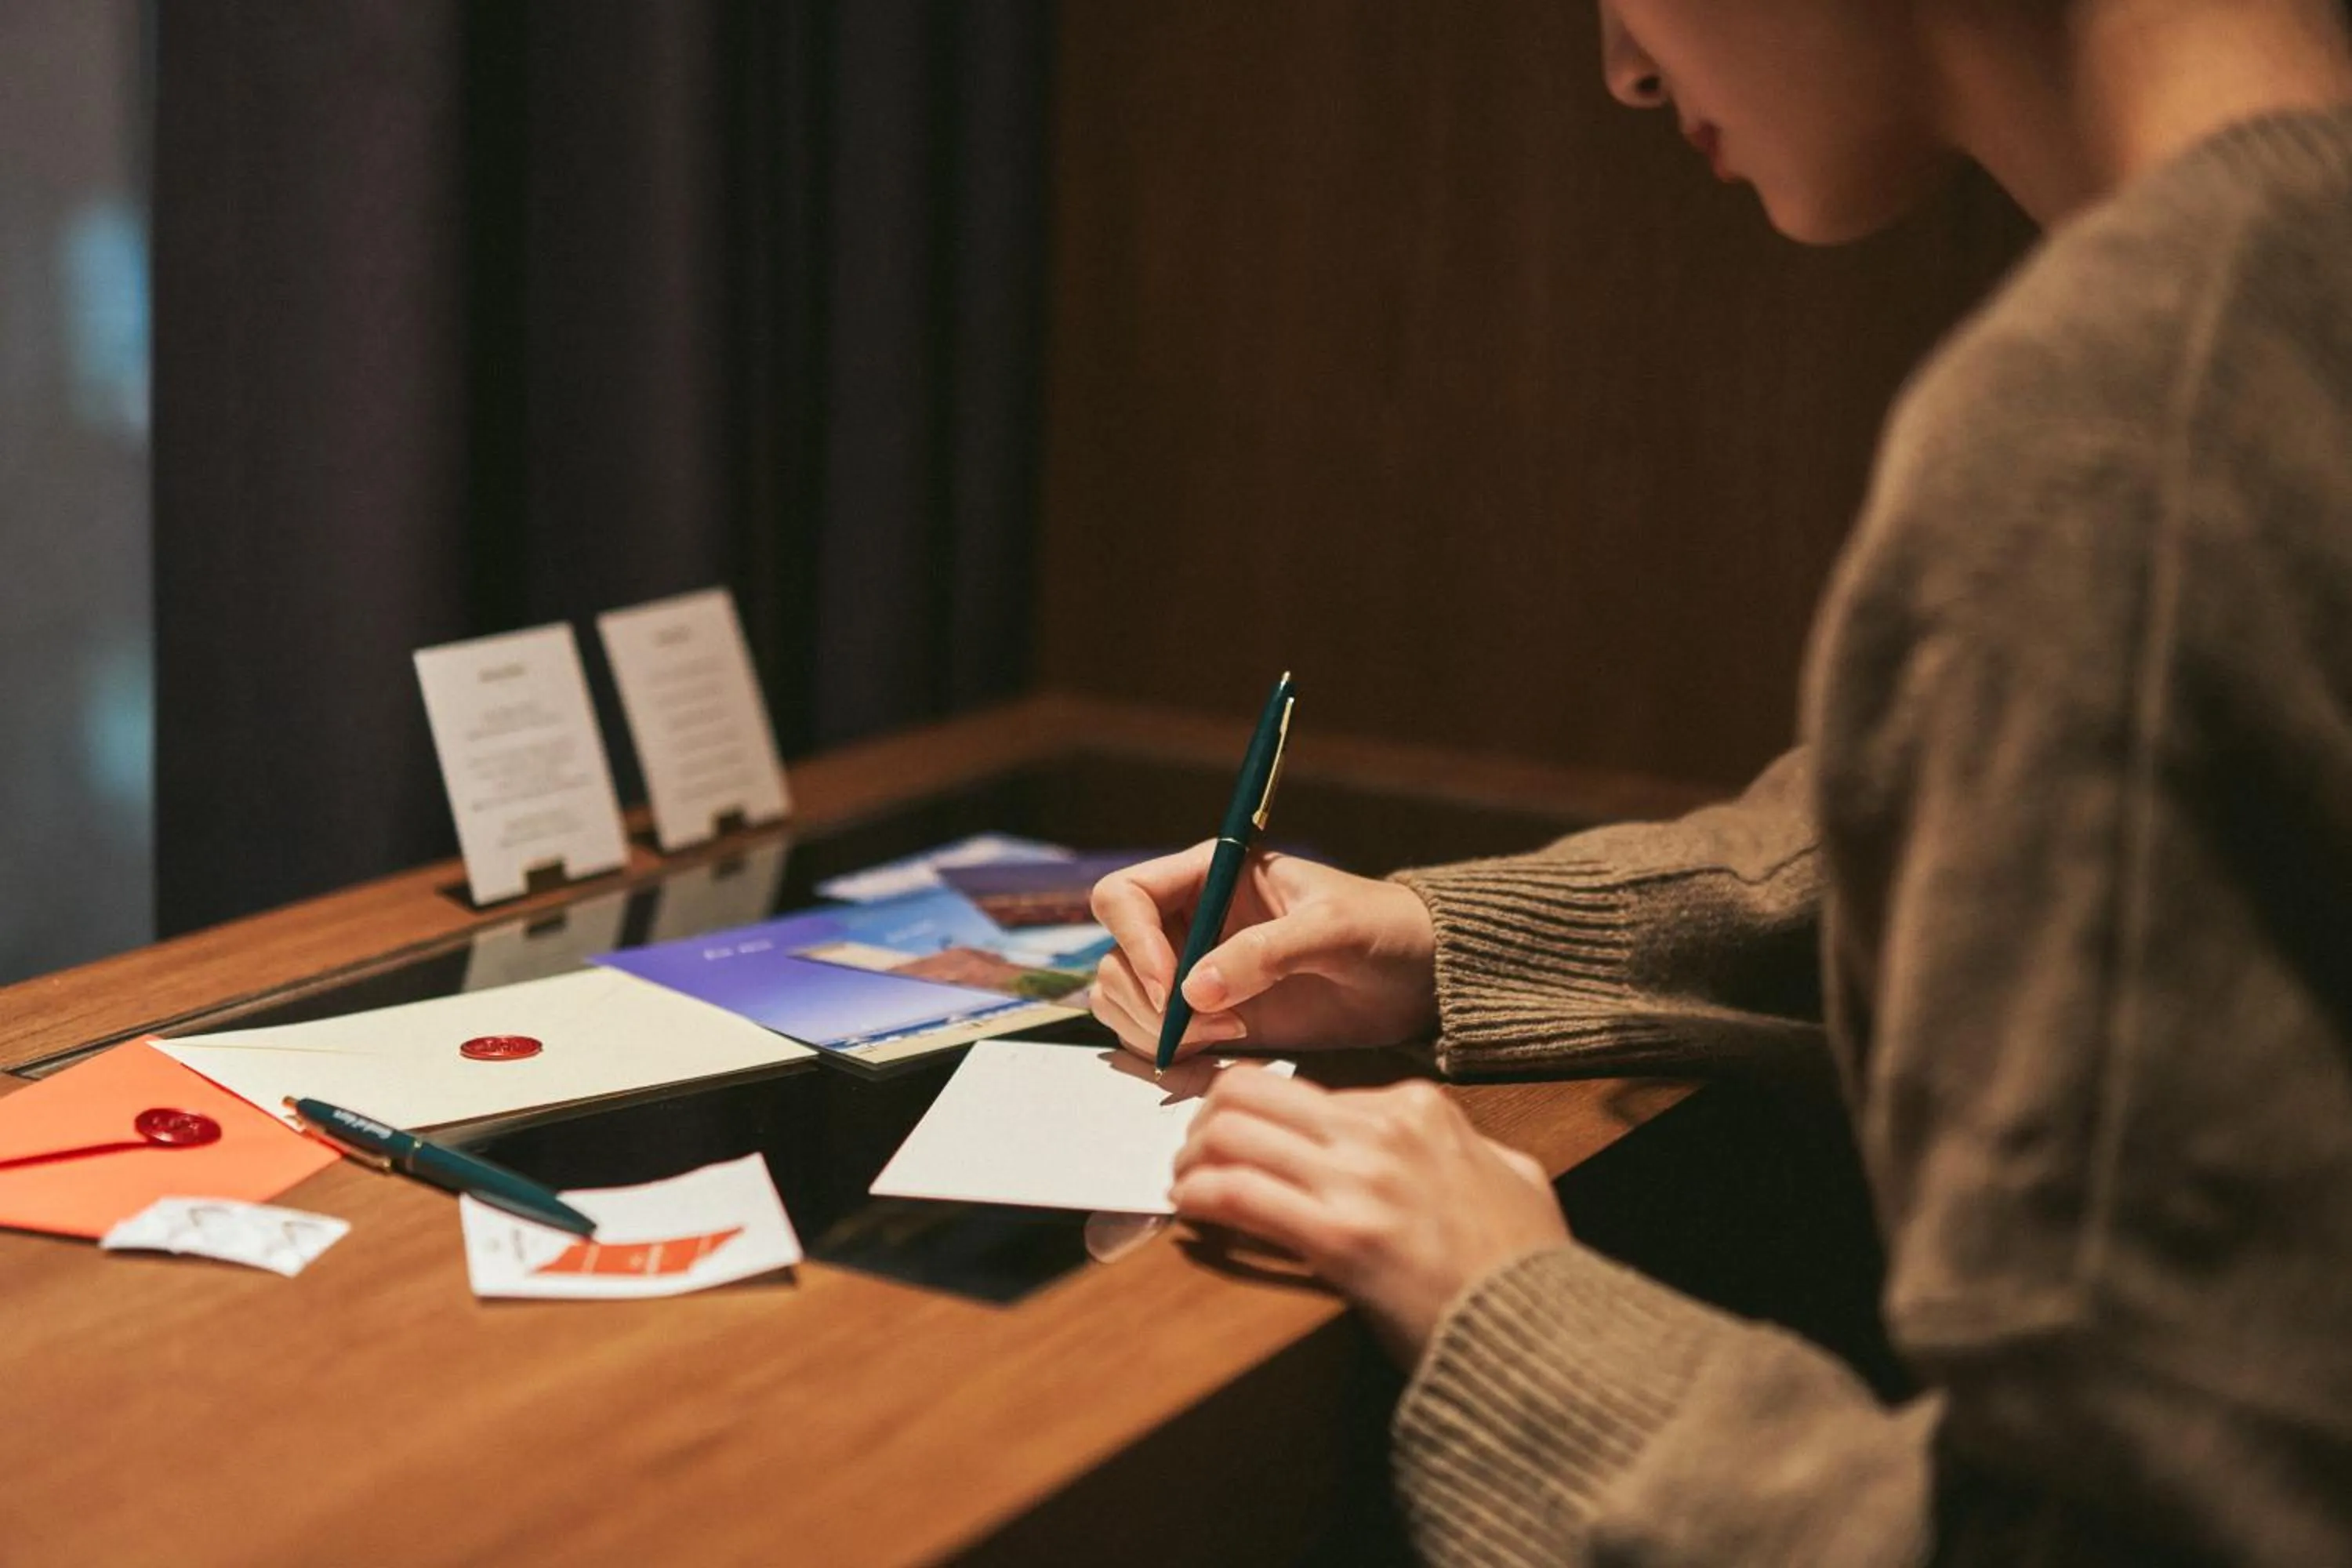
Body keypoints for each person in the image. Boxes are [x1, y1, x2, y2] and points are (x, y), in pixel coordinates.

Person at [1086, 2, 2352, 1562]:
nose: (1618, 61)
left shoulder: (2125, 420)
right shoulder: (2266, 307)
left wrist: (1508, 1311)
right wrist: (1448, 939)